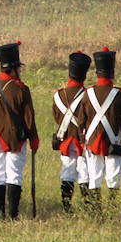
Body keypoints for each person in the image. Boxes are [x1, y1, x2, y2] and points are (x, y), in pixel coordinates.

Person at [0, 41, 37, 221]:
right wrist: (34, 139)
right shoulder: (21, 89)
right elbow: (29, 119)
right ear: (14, 68)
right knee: (14, 175)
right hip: (15, 139)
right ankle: (12, 215)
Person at [80, 47, 121, 202]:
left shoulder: (87, 94)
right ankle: (112, 208)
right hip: (114, 143)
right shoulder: (119, 93)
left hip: (92, 143)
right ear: (112, 72)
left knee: (94, 177)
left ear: (97, 72)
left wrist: (83, 141)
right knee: (113, 178)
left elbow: (80, 122)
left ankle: (96, 210)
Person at [52, 51, 91, 212]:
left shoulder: (58, 95)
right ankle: (88, 207)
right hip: (83, 140)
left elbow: (56, 116)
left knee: (67, 171)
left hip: (66, 140)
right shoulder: (89, 95)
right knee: (85, 172)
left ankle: (66, 206)